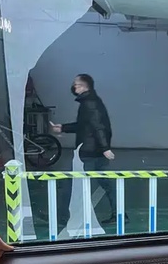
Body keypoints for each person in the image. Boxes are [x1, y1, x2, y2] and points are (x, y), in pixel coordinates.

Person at [50, 74, 120, 224]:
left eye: (76, 84)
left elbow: (98, 126)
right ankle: (119, 214)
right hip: (95, 151)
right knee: (106, 184)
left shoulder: (89, 104)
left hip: (88, 152)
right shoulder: (91, 102)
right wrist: (62, 128)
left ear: (84, 86)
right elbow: (84, 126)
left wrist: (105, 148)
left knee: (68, 182)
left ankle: (62, 217)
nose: (73, 86)